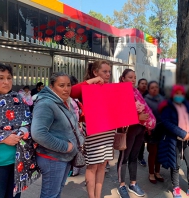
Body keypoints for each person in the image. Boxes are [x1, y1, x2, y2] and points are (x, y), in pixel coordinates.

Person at [0, 63, 40, 198]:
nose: (6, 82)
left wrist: (22, 131)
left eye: (9, 78)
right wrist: (3, 138)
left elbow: (29, 123)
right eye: (1, 78)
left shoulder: (17, 100)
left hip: (17, 162)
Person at [31, 72, 84, 198]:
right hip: (53, 158)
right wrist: (65, 146)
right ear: (52, 86)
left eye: (68, 85)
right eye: (61, 85)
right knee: (50, 195)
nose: (66, 89)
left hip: (64, 157)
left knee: (57, 191)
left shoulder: (64, 101)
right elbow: (38, 133)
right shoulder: (46, 104)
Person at [70, 60, 115, 198]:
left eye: (109, 71)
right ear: (95, 72)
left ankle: (98, 195)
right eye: (104, 71)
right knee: (92, 166)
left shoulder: (110, 88)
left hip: (108, 131)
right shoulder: (87, 87)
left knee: (102, 164)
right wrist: (93, 80)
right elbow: (72, 91)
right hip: (93, 131)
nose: (108, 74)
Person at [158, 85, 189, 198]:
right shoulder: (168, 107)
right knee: (175, 166)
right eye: (177, 93)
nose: (179, 96)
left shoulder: (187, 106)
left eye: (181, 94)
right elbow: (166, 122)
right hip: (175, 141)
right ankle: (176, 188)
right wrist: (183, 134)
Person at [117, 69, 156, 198]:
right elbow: (120, 112)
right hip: (128, 130)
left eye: (134, 77)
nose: (133, 80)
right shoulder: (120, 91)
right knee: (124, 158)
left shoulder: (136, 92)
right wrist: (139, 117)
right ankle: (121, 185)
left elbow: (144, 108)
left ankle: (133, 183)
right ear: (123, 78)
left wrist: (146, 120)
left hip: (139, 129)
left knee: (134, 157)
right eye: (130, 77)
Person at [144, 81, 165, 184]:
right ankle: (151, 173)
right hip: (151, 130)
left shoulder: (162, 99)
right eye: (152, 88)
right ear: (149, 89)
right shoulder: (145, 100)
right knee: (153, 152)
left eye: (156, 87)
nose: (154, 89)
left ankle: (158, 172)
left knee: (159, 152)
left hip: (162, 129)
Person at [137, 78, 148, 167]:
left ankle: (140, 157)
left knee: (142, 141)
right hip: (135, 121)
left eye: (145, 84)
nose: (144, 85)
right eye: (142, 83)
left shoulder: (148, 95)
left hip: (145, 122)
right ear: (138, 84)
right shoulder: (135, 94)